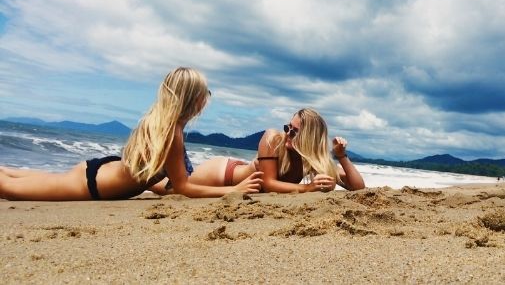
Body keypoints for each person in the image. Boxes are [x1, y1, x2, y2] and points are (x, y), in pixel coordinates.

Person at [0, 67, 261, 201]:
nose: (207, 100)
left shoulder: (161, 123)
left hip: (99, 172)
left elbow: (153, 178)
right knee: (9, 189)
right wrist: (232, 190)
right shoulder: (171, 132)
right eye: (206, 94)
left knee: (13, 177)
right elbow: (183, 186)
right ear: (195, 100)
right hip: (94, 186)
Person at [160, 108, 365, 194]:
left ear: (309, 139)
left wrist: (341, 156)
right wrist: (307, 188)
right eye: (288, 128)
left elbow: (358, 188)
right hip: (223, 175)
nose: (288, 133)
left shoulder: (311, 160)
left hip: (234, 180)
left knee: (167, 186)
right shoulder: (272, 138)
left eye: (295, 132)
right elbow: (268, 183)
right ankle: (139, 168)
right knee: (167, 190)